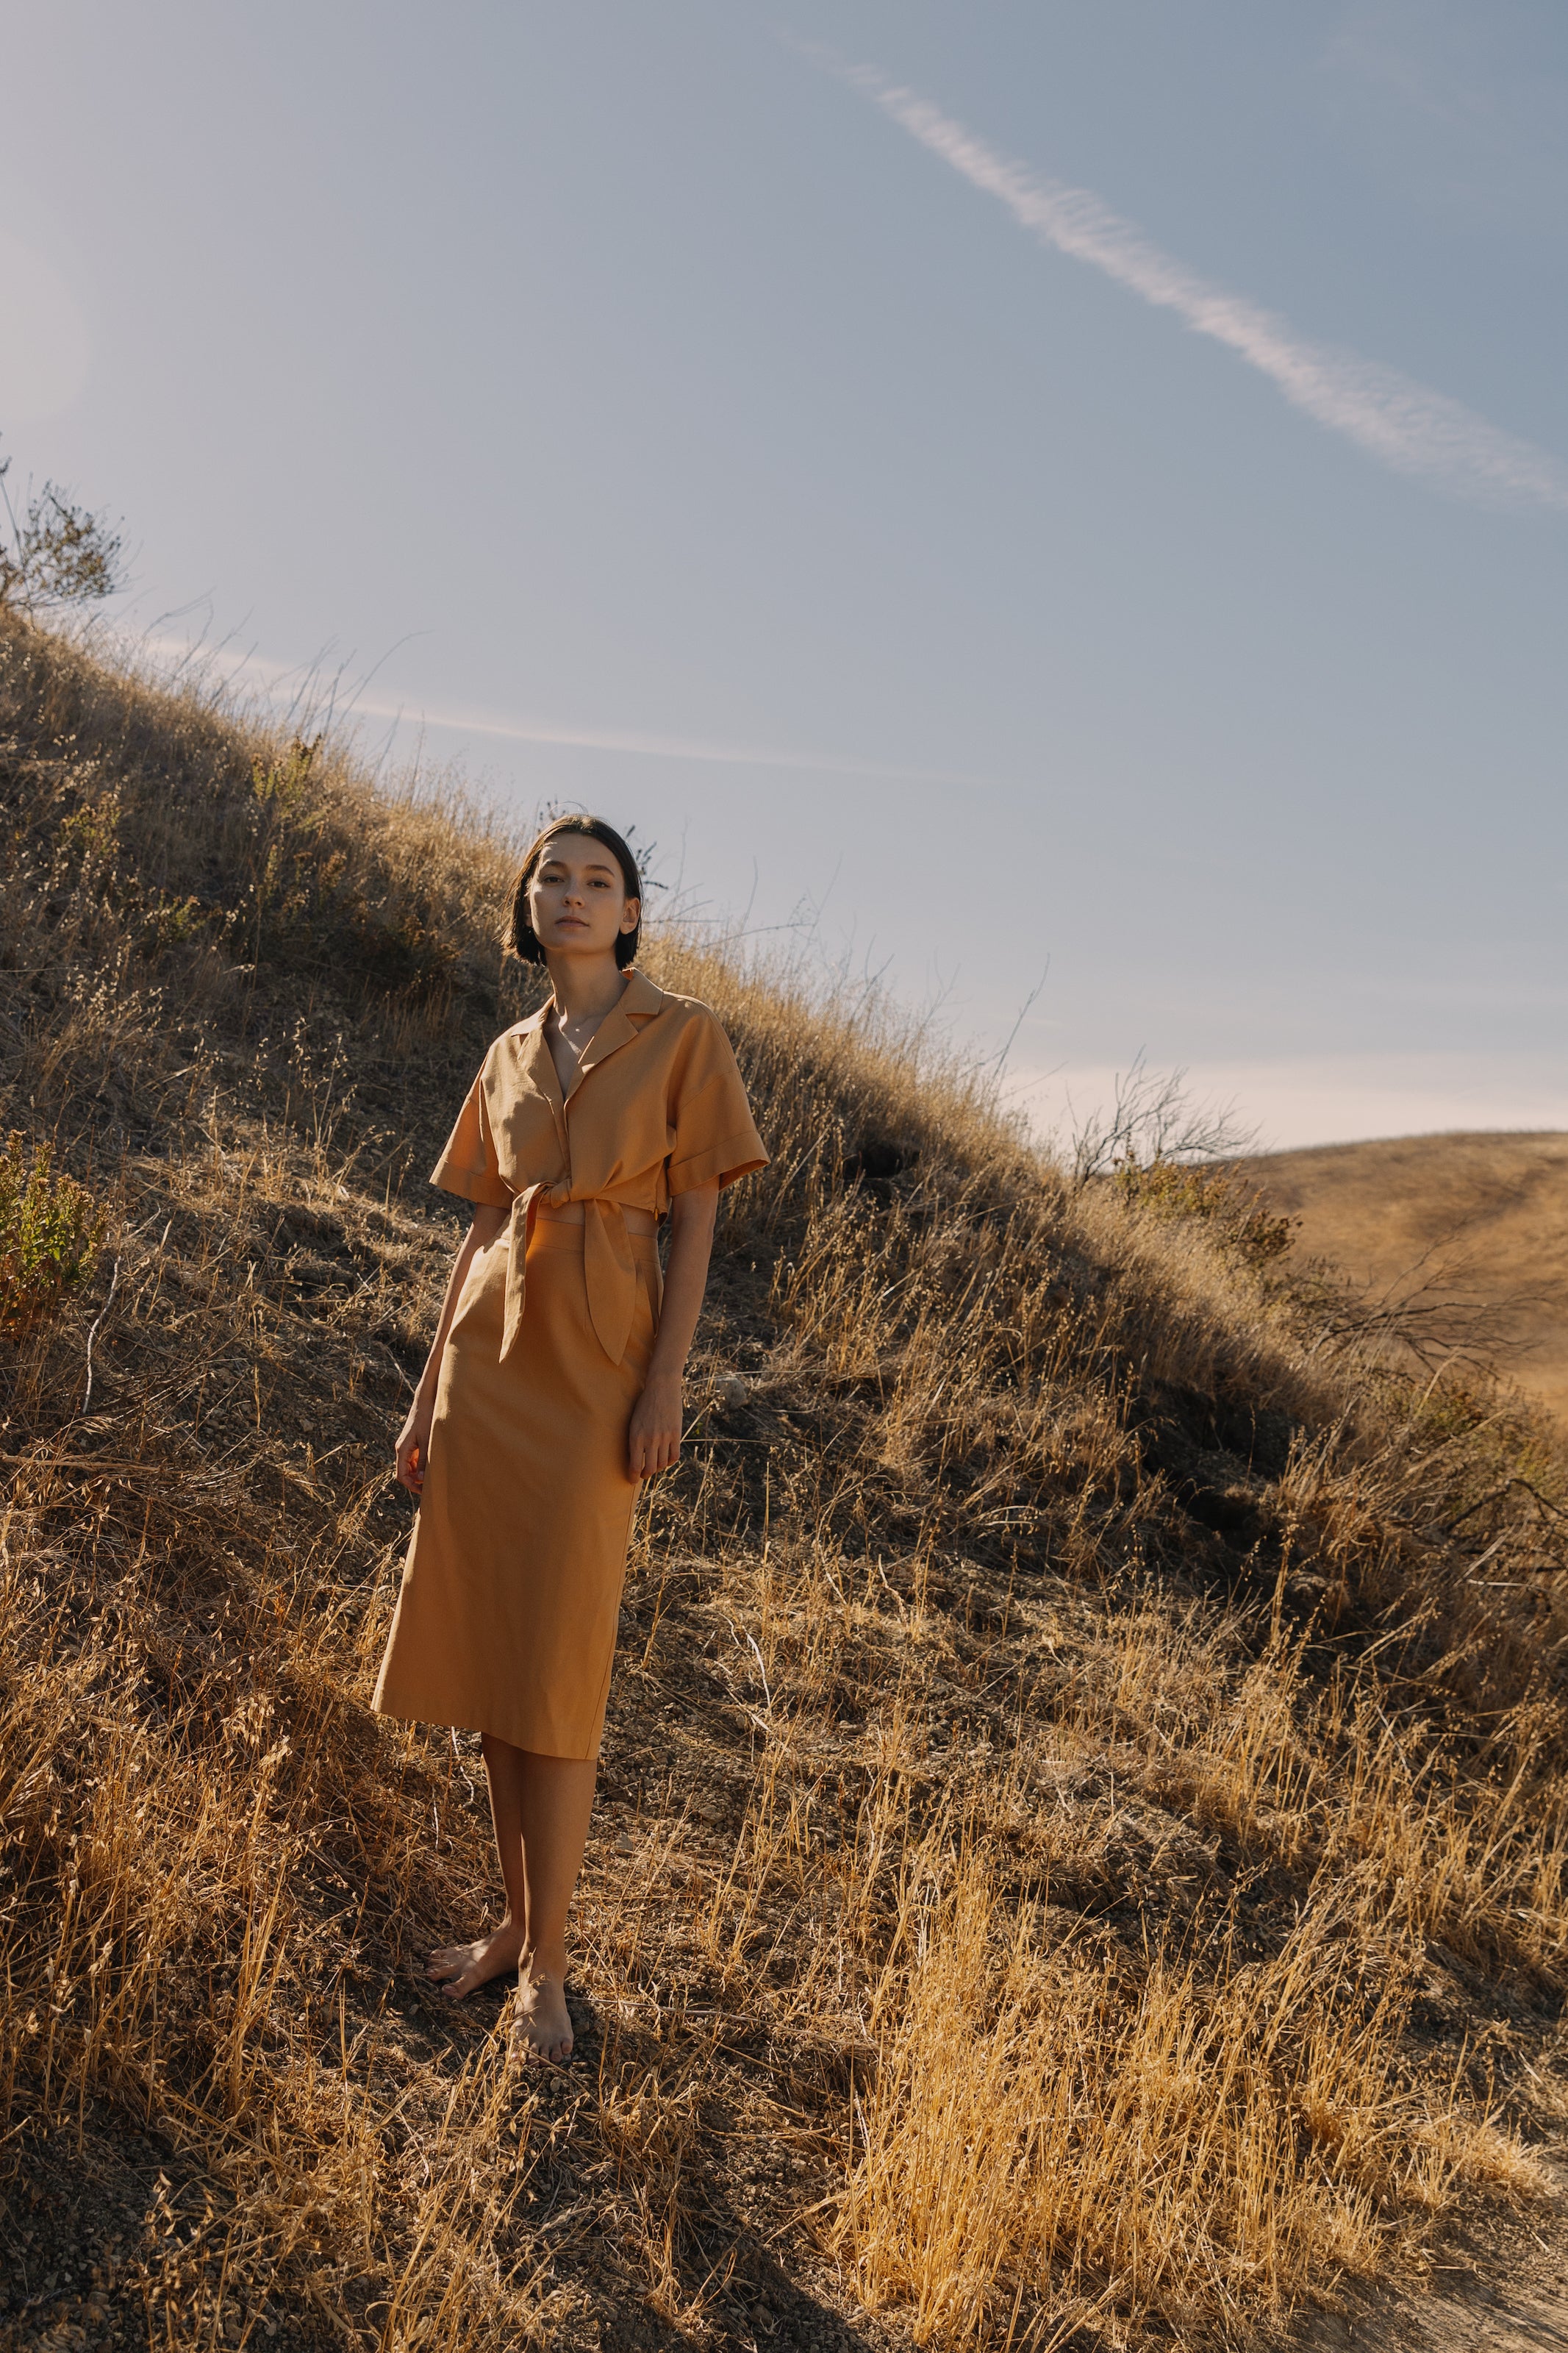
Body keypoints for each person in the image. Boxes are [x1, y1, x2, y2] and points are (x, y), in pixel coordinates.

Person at [371, 816, 767, 2060]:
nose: (573, 894)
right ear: (528, 906)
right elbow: (478, 1233)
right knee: (497, 1660)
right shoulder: (506, 1052)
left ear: (632, 912)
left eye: (598, 880)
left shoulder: (685, 1036)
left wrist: (665, 1386)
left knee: (558, 1669)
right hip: (488, 1373)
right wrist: (427, 1388)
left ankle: (548, 1973)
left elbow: (693, 1233)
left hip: (599, 1372)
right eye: (553, 877)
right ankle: (512, 1925)